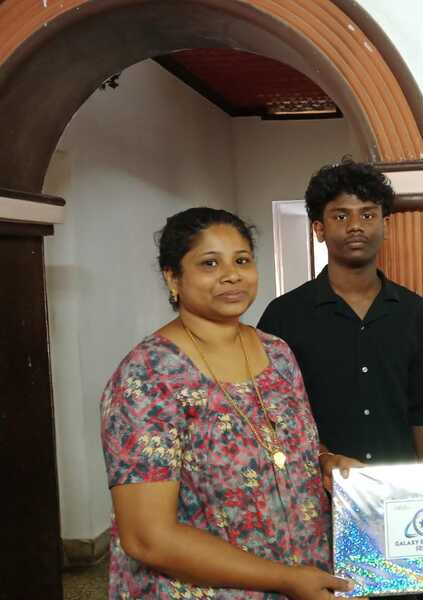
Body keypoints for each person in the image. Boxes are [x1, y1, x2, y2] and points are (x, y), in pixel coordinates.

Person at [100, 208, 353, 599]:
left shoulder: (277, 352)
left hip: (305, 578)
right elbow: (147, 538)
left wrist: (324, 461)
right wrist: (286, 579)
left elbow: (282, 445)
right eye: (209, 263)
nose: (232, 275)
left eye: (242, 260)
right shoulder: (149, 376)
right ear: (173, 278)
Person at [257, 159, 423, 484]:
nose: (355, 226)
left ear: (385, 225)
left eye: (367, 215)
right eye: (341, 216)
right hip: (314, 492)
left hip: (396, 492)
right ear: (319, 229)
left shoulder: (414, 312)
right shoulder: (284, 316)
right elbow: (271, 415)